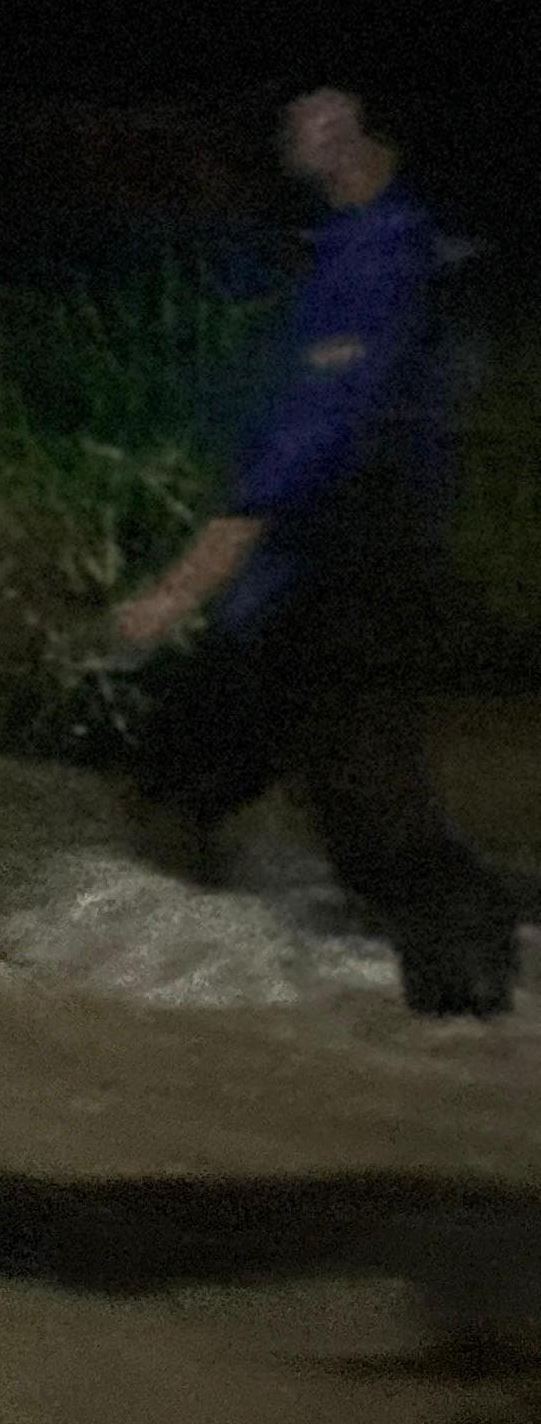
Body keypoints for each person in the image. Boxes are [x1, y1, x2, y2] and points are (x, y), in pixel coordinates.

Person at [114, 86, 519, 1017]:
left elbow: (311, 440)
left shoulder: (386, 253)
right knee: (183, 774)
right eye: (300, 127)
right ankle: (206, 995)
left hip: (358, 576)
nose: (307, 141)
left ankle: (473, 1013)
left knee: (376, 818)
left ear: (375, 135)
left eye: (328, 124)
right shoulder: (340, 247)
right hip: (300, 577)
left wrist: (180, 588)